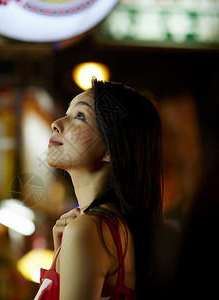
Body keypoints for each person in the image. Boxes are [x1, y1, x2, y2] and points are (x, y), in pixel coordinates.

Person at [35, 78, 164, 300]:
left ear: (111, 149)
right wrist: (63, 256)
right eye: (67, 112)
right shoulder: (116, 230)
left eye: (79, 116)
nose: (56, 123)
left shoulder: (89, 230)